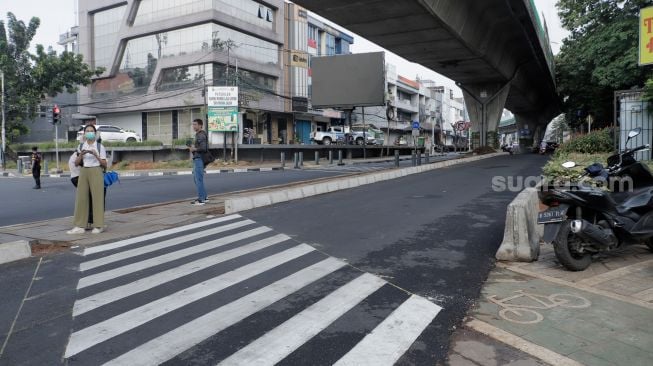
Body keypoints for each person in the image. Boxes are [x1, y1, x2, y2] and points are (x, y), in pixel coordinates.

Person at [67, 125, 107, 234]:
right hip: (84, 171)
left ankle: (99, 225)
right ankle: (80, 226)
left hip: (96, 170)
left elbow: (104, 164)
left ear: (95, 133)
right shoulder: (81, 146)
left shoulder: (100, 146)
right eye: (87, 131)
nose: (89, 133)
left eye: (91, 131)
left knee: (97, 198)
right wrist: (81, 155)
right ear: (84, 134)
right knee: (81, 198)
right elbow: (76, 163)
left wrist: (95, 155)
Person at [189, 118, 209, 205]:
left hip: (199, 159)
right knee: (197, 179)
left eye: (195, 124)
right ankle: (204, 197)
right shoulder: (199, 134)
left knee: (198, 179)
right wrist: (193, 148)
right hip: (198, 158)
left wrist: (194, 149)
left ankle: (201, 199)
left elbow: (203, 148)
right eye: (193, 124)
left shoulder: (201, 135)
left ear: (200, 125)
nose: (193, 126)